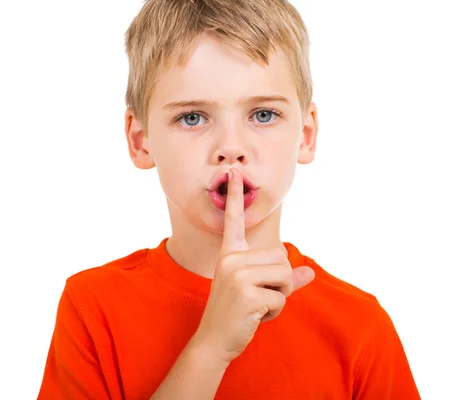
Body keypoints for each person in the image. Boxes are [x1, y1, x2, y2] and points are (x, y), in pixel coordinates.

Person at [37, 0, 420, 398]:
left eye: (264, 115)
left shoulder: (359, 326)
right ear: (140, 140)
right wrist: (211, 347)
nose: (231, 148)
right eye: (192, 117)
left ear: (305, 135)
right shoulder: (92, 307)